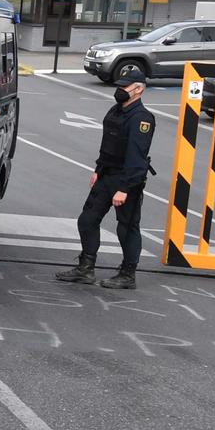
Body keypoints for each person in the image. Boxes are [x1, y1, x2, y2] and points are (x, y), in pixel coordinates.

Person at [57, 77, 156, 289]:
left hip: (126, 180)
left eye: (125, 87)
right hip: (106, 175)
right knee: (87, 220)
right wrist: (98, 170)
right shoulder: (115, 110)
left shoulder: (141, 118)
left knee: (127, 228)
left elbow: (136, 158)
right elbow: (108, 145)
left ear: (138, 89)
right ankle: (86, 269)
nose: (120, 90)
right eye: (119, 85)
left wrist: (125, 189)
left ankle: (128, 275)